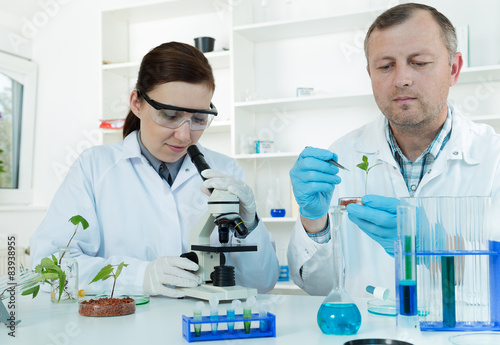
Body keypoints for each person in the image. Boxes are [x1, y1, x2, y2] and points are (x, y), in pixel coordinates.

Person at [30, 42, 279, 298]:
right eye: (170, 115)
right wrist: (139, 276)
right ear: (137, 103)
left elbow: (262, 283)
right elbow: (49, 267)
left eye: (199, 118)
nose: (184, 135)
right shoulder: (93, 168)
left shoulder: (226, 170)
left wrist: (250, 226)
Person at [288, 3, 500, 298]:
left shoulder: (494, 158)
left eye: (420, 62)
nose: (401, 79)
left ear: (453, 69)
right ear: (370, 73)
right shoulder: (343, 156)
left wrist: (429, 247)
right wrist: (314, 221)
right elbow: (317, 286)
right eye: (385, 66)